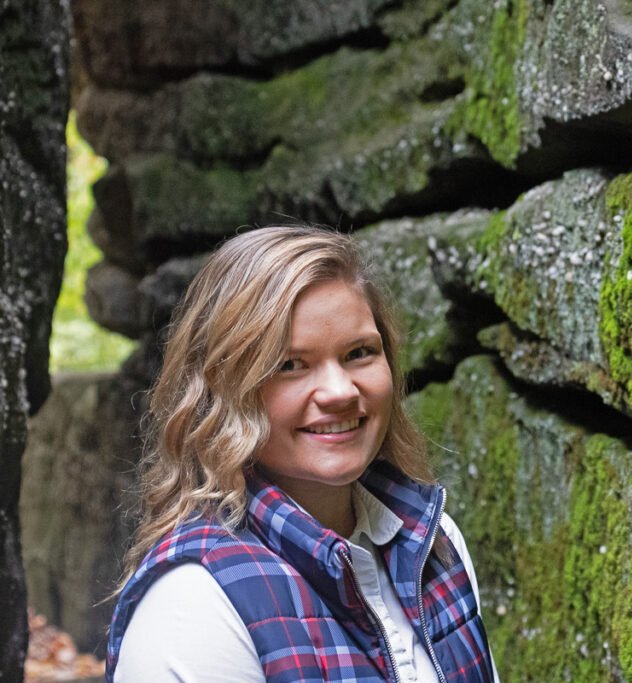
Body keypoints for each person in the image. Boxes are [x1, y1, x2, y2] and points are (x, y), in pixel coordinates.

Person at [106, 225, 496, 682]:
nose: (339, 391)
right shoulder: (194, 605)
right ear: (223, 388)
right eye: (290, 364)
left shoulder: (434, 540)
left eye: (359, 353)